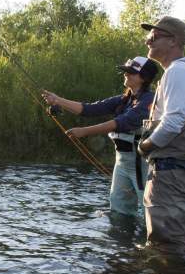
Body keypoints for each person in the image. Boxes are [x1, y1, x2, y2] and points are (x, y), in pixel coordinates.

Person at [42, 56, 158, 219]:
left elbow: (121, 122)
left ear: (144, 78)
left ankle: (160, 241)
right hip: (122, 162)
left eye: (131, 72)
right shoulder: (123, 99)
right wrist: (57, 100)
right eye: (125, 71)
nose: (126, 74)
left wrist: (84, 131)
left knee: (151, 210)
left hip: (141, 164)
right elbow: (89, 109)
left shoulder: (149, 100)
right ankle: (123, 242)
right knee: (119, 209)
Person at [137, 16, 185, 254]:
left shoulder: (177, 72)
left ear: (174, 41)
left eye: (155, 36)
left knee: (165, 246)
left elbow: (174, 122)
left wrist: (146, 146)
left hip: (169, 173)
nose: (148, 40)